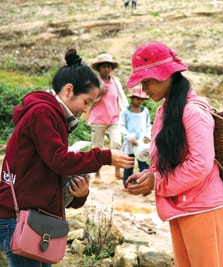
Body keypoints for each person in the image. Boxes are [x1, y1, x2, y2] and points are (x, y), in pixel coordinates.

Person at [0, 49, 134, 267]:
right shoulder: (43, 113)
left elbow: (54, 173)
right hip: (19, 217)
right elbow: (59, 161)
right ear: (69, 90)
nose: (86, 108)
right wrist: (105, 156)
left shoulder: (56, 118)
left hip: (38, 217)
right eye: (87, 101)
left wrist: (79, 194)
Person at [123, 41, 223, 267]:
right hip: (182, 206)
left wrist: (157, 181)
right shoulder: (166, 110)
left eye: (147, 81)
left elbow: (200, 164)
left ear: (166, 76)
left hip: (204, 207)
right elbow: (163, 156)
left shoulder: (193, 112)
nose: (143, 89)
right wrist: (149, 175)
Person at [88, 53, 129, 182]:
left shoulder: (115, 82)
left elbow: (121, 99)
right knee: (97, 148)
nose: (106, 69)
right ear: (99, 68)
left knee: (117, 143)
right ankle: (97, 174)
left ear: (111, 68)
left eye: (108, 67)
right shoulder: (94, 82)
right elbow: (88, 99)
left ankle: (117, 171)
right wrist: (98, 93)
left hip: (114, 118)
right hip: (98, 119)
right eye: (104, 67)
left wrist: (126, 113)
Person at [119, 85, 151, 188]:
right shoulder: (125, 112)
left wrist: (147, 136)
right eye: (137, 98)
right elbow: (121, 126)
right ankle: (127, 185)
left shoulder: (145, 111)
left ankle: (144, 184)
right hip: (130, 143)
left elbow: (148, 125)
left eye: (141, 99)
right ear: (132, 98)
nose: (139, 101)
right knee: (129, 165)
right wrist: (129, 137)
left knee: (144, 164)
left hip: (141, 143)